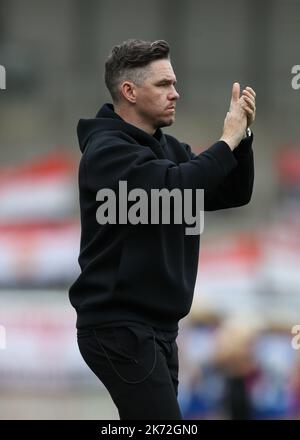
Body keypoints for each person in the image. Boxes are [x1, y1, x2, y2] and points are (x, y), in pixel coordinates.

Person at [69, 39, 256, 420]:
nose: (176, 93)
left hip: (159, 329)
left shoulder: (169, 150)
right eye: (164, 84)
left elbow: (232, 191)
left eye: (173, 83)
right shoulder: (106, 151)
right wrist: (226, 140)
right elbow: (174, 188)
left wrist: (242, 138)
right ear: (129, 91)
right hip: (117, 327)